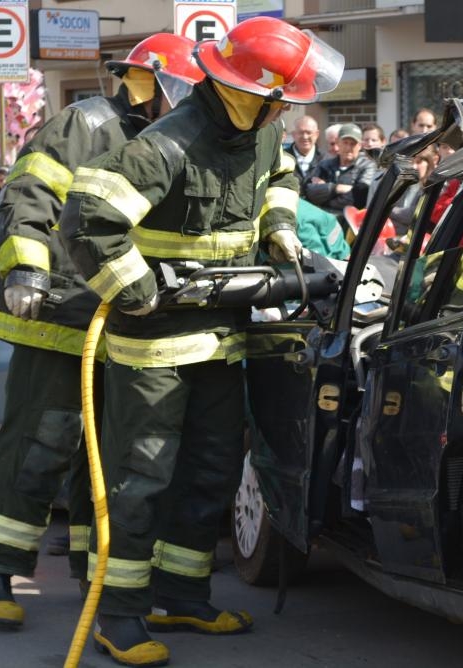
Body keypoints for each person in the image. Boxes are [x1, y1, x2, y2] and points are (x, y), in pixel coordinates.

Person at [59, 17, 343, 666]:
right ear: (249, 91)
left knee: (211, 473)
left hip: (222, 339)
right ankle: (121, 616)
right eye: (277, 102)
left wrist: (281, 234)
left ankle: (181, 595)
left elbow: (282, 181)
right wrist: (138, 290)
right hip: (153, 350)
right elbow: (89, 216)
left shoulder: (262, 134)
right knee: (142, 483)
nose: (281, 115)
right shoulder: (168, 144)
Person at [0, 33, 204, 630]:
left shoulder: (168, 139)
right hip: (57, 313)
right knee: (41, 441)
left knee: (101, 456)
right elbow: (28, 192)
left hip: (123, 319)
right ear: (145, 80)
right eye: (176, 90)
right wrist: (24, 266)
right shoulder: (86, 122)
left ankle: (90, 571)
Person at [306, 123, 378, 217]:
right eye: (345, 142)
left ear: (360, 145)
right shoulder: (325, 165)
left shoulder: (367, 166)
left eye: (353, 144)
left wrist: (325, 195)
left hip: (350, 221)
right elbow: (310, 192)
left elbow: (359, 198)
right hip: (323, 218)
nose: (348, 148)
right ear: (338, 142)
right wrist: (335, 188)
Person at [286, 115, 323, 186]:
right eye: (300, 132)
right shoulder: (282, 158)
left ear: (317, 134)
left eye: (309, 133)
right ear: (293, 134)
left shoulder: (326, 160)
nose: (305, 137)